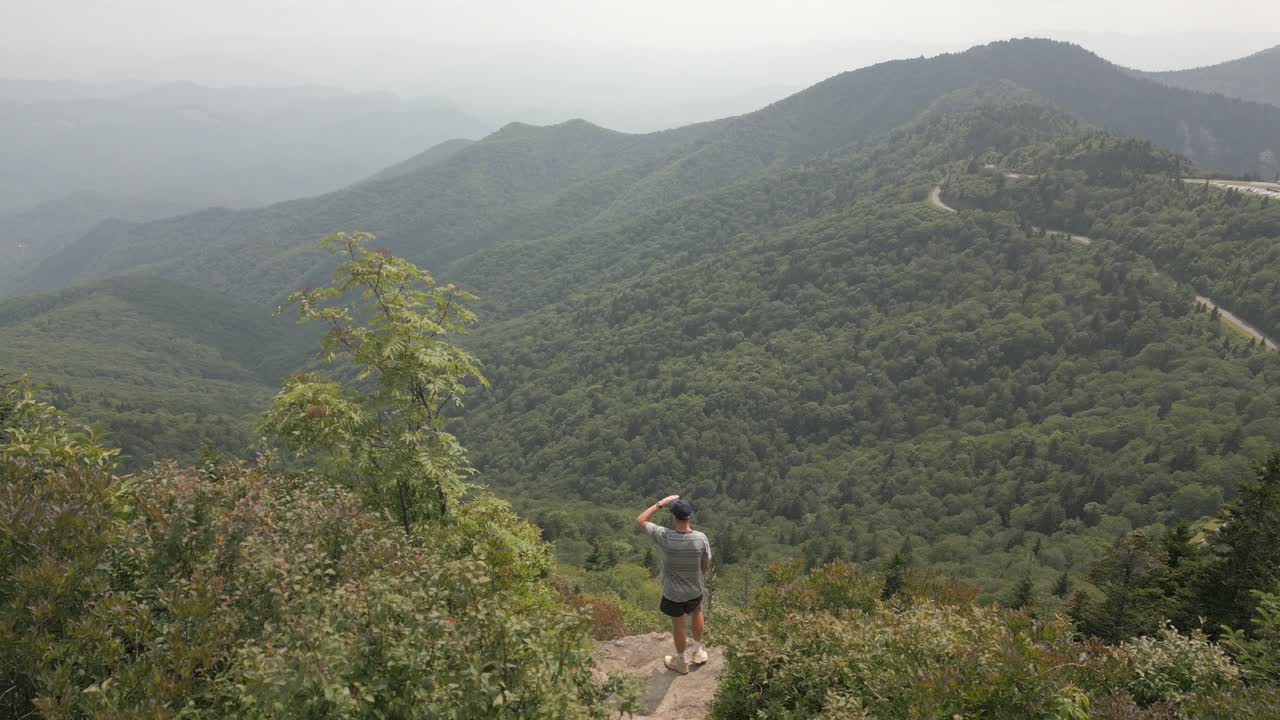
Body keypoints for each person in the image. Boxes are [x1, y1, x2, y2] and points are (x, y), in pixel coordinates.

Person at [635, 494, 711, 674]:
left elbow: (641, 520)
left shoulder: (664, 536)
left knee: (678, 623)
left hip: (673, 593)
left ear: (673, 516)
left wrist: (660, 504)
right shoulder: (701, 538)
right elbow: (705, 567)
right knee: (697, 611)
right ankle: (698, 651)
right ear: (689, 516)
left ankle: (681, 662)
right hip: (694, 589)